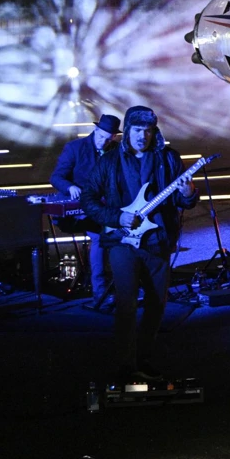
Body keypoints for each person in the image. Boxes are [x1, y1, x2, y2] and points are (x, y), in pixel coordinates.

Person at [80, 105, 197, 381]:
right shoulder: (110, 162)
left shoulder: (168, 159)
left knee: (157, 305)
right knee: (127, 305)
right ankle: (125, 365)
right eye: (136, 130)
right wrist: (117, 217)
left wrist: (189, 193)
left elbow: (183, 202)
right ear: (127, 131)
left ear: (154, 131)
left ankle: (142, 359)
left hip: (157, 243)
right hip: (123, 243)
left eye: (148, 130)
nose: (142, 136)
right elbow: (88, 199)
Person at [49, 113, 119, 310]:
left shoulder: (114, 149)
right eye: (101, 137)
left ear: (113, 137)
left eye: (108, 139)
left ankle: (125, 285)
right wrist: (70, 187)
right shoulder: (75, 148)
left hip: (106, 206)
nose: (103, 142)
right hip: (83, 208)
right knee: (100, 237)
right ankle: (100, 292)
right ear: (95, 130)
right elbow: (56, 177)